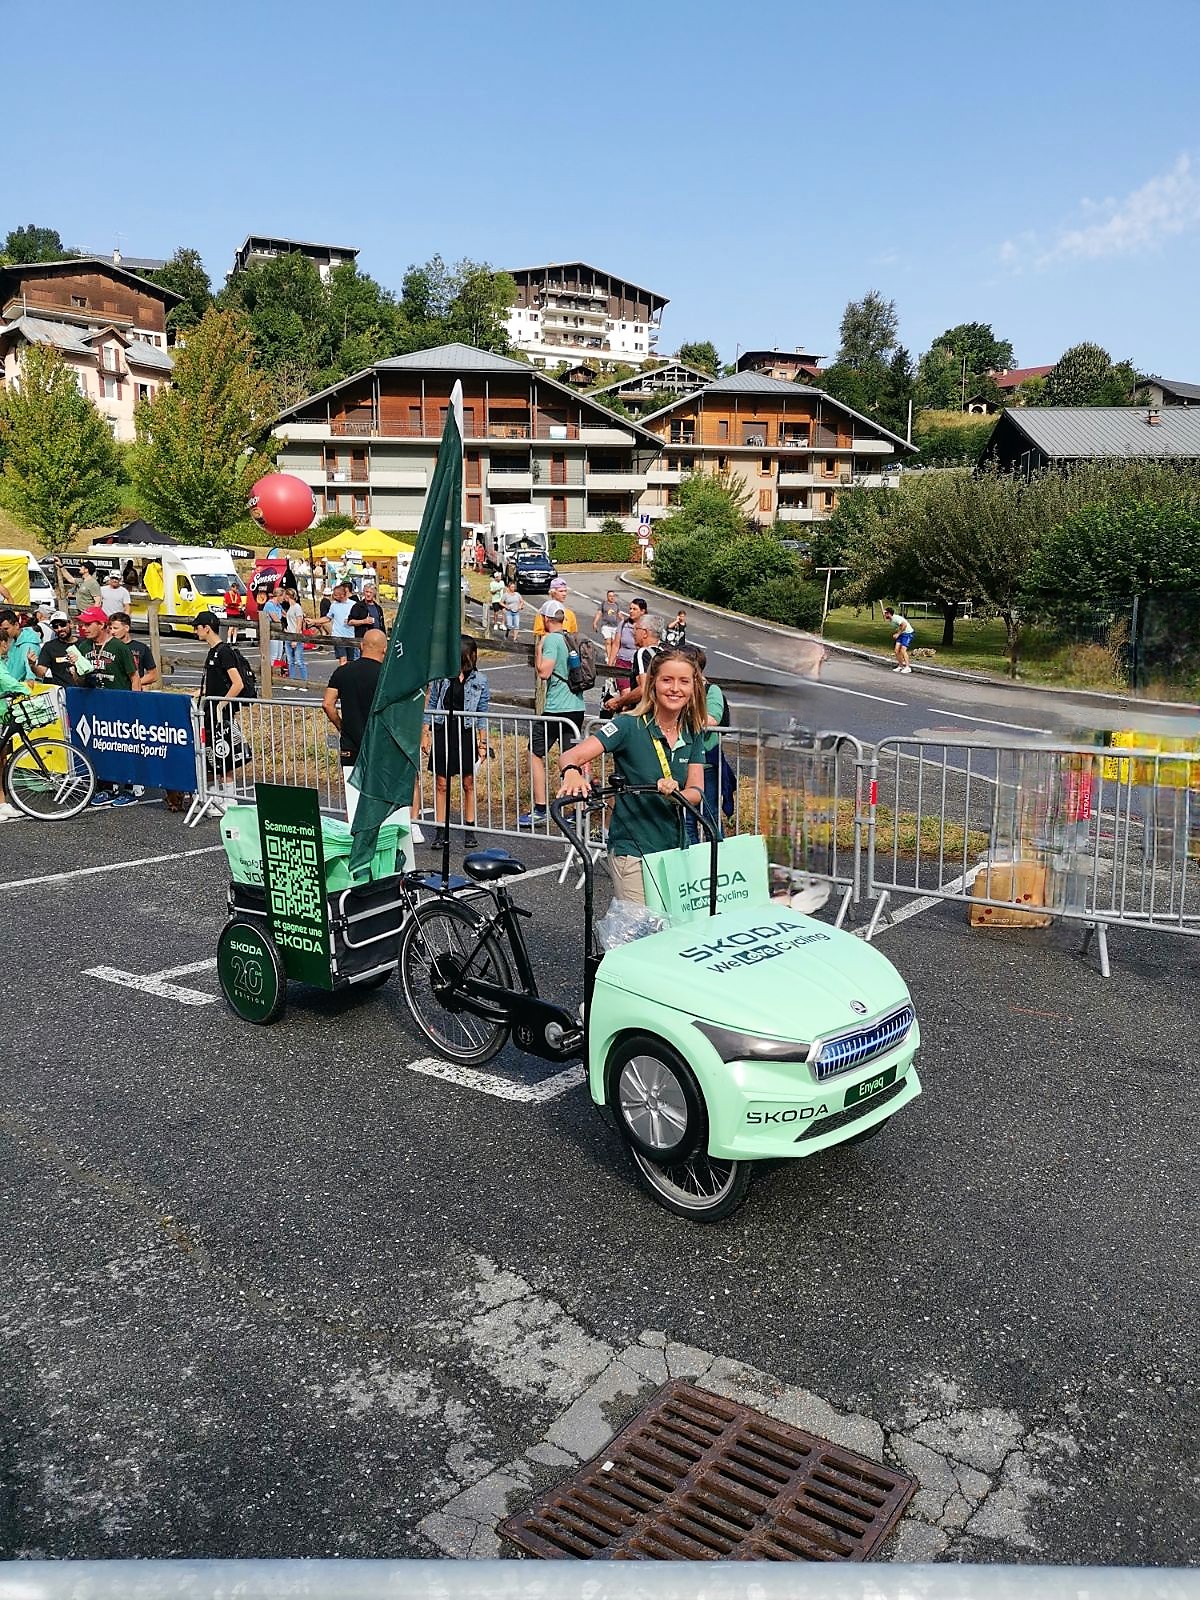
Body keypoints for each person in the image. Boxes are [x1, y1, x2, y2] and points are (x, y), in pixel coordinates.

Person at [556, 650, 707, 904]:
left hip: (675, 848)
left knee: (673, 934)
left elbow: (696, 791)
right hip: (633, 849)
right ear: (653, 684)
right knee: (639, 933)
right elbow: (571, 756)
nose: (675, 689)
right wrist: (571, 773)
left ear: (694, 687)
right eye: (666, 680)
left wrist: (675, 794)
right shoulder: (629, 725)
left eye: (683, 681)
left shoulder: (693, 730)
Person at [517, 600, 586, 829]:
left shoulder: (552, 640)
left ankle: (540, 808)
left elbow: (544, 672)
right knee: (573, 757)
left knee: (535, 753)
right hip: (577, 705)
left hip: (556, 708)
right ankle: (579, 809)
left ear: (546, 619)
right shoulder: (570, 638)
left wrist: (539, 648)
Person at [424, 634, 490, 849]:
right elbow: (432, 703)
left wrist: (482, 743)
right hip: (444, 730)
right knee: (441, 783)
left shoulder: (479, 680)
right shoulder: (442, 676)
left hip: (466, 731)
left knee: (468, 782)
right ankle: (440, 831)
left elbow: (482, 713)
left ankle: (470, 829)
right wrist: (425, 732)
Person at [75, 605, 143, 807]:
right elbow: (79, 681)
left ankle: (132, 788)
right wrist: (76, 670)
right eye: (82, 624)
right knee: (101, 746)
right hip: (96, 704)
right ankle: (107, 786)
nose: (84, 628)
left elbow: (134, 677)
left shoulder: (119, 648)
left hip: (120, 703)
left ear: (101, 624)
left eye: (88, 624)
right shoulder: (84, 647)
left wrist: (135, 703)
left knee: (125, 745)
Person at [323, 628, 388, 818]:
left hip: (350, 741)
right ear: (384, 650)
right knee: (379, 793)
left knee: (353, 793)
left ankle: (352, 830)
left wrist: (341, 726)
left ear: (361, 646)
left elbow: (327, 704)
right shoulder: (386, 675)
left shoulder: (343, 671)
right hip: (379, 741)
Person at [195, 611, 247, 802]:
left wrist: (221, 705)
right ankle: (216, 796)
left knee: (225, 754)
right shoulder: (212, 651)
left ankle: (229, 797)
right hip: (210, 711)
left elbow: (238, 683)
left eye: (197, 627)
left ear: (206, 628)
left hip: (221, 713)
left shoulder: (224, 651)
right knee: (213, 753)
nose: (195, 631)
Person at [602, 611, 662, 715]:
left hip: (643, 714)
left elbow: (643, 689)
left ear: (645, 633)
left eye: (636, 629)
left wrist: (619, 702)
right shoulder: (663, 653)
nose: (633, 632)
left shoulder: (643, 653)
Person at [109, 613, 159, 688]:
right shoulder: (108, 647)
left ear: (126, 628)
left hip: (133, 692)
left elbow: (153, 675)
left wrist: (135, 683)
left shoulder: (141, 648)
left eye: (115, 628)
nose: (112, 632)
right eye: (110, 628)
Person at [612, 596, 646, 694]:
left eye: (634, 609)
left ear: (642, 611)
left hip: (639, 666)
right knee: (626, 692)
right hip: (622, 663)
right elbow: (615, 644)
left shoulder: (646, 627)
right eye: (630, 608)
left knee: (637, 694)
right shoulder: (623, 624)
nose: (631, 611)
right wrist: (610, 664)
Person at [35, 612, 76, 687]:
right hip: (62, 692)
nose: (59, 629)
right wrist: (32, 664)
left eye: (62, 625)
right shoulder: (49, 647)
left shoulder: (84, 643)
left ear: (70, 624)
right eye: (55, 626)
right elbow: (41, 673)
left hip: (84, 691)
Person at [0, 609, 41, 682]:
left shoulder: (29, 644)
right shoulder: (12, 641)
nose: (4, 632)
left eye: (6, 629)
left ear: (16, 625)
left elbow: (30, 673)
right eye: (1, 629)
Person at [323, 581, 358, 663]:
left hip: (350, 636)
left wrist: (353, 621)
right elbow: (327, 618)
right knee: (343, 660)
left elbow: (359, 617)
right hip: (338, 636)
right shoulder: (334, 605)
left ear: (342, 595)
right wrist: (314, 621)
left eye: (335, 594)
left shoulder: (353, 604)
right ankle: (343, 675)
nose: (333, 596)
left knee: (350, 661)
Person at [282, 589, 309, 682]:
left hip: (295, 636)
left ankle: (305, 681)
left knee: (299, 660)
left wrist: (296, 639)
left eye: (285, 595)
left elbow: (299, 623)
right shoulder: (290, 607)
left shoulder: (297, 607)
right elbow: (291, 621)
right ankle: (291, 681)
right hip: (289, 635)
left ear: (288, 596)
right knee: (290, 661)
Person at [593, 590, 624, 667]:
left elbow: (619, 614)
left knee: (614, 643)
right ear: (607, 597)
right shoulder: (604, 604)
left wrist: (624, 621)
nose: (612, 597)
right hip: (606, 625)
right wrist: (595, 622)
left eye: (613, 596)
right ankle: (610, 658)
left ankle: (612, 657)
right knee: (608, 642)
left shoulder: (616, 605)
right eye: (610, 596)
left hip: (615, 626)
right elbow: (599, 613)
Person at [262, 587, 286, 674]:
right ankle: (270, 674)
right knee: (274, 654)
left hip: (278, 632)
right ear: (278, 596)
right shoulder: (270, 605)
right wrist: (284, 628)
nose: (284, 599)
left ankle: (277, 672)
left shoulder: (278, 605)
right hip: (271, 631)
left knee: (279, 654)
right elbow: (276, 619)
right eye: (283, 596)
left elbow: (285, 614)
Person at [884, 606, 914, 673]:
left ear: (889, 613)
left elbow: (904, 625)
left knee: (903, 651)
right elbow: (899, 627)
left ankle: (908, 667)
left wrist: (898, 634)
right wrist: (898, 633)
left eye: (885, 613)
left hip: (907, 634)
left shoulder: (896, 618)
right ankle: (900, 666)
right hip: (901, 634)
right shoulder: (891, 620)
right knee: (896, 650)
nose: (884, 614)